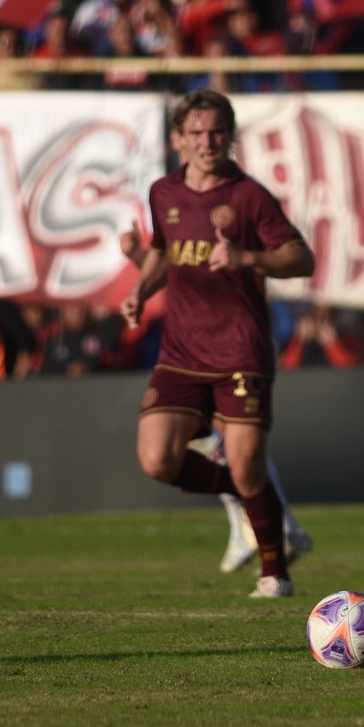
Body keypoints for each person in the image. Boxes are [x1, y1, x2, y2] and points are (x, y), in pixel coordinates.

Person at [121, 89, 316, 598]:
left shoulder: (248, 196)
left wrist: (248, 259)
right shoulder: (163, 193)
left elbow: (301, 259)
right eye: (197, 133)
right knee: (157, 460)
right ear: (178, 140)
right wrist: (140, 290)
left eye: (216, 133)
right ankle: (250, 499)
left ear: (230, 137)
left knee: (248, 463)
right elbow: (164, 254)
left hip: (240, 351)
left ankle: (275, 571)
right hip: (182, 354)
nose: (207, 142)